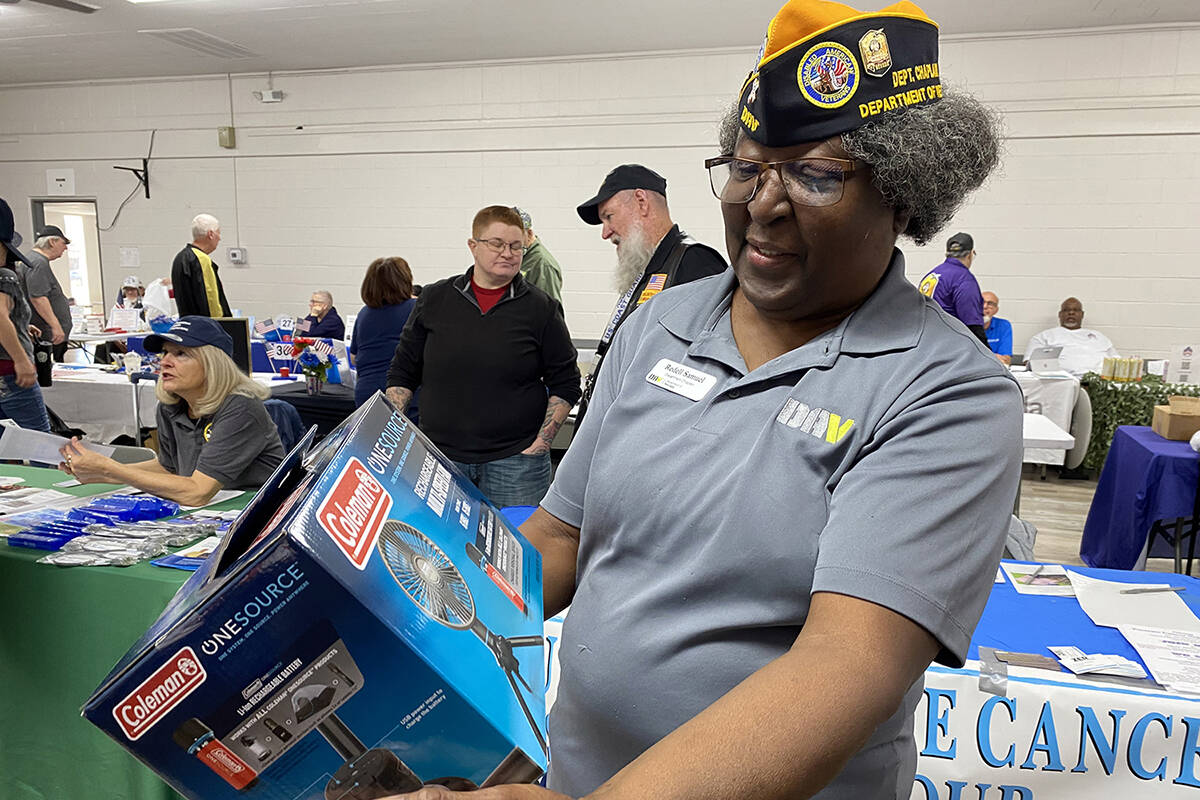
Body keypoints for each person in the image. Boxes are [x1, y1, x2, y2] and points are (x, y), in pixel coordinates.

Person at [382, 3, 1022, 799]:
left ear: (904, 195)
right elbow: (558, 539)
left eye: (816, 175)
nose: (762, 203)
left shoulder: (947, 391)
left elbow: (846, 664)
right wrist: (403, 621)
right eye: (748, 166)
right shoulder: (660, 326)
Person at [386, 206, 580, 508]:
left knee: (520, 550)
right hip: (441, 460)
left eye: (517, 246)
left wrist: (542, 443)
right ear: (473, 246)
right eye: (498, 244)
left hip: (516, 466)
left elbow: (566, 382)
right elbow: (403, 372)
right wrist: (398, 434)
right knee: (442, 551)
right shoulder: (435, 299)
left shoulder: (541, 308)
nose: (508, 253)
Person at [58, 316, 284, 505]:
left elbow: (197, 492)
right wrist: (99, 472)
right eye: (165, 353)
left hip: (254, 512)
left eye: (180, 354)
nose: (165, 361)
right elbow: (170, 468)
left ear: (212, 363)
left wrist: (112, 470)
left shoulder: (241, 407)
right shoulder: (172, 406)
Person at [574, 163, 727, 423]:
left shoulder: (694, 263)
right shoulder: (648, 268)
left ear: (642, 202)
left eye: (608, 216)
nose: (605, 233)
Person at [0, 199, 51, 432]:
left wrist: (20, 325)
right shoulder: (4, 276)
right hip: (10, 372)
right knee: (40, 441)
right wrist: (21, 359)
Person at [350, 257, 418, 420]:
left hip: (367, 394)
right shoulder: (416, 308)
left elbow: (353, 357)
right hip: (405, 393)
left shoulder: (364, 314)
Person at [918, 232, 988, 346]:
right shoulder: (964, 279)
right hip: (948, 345)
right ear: (970, 254)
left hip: (924, 343)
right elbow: (972, 325)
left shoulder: (931, 275)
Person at [1024, 297, 1118, 378]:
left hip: (1100, 383)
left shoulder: (1099, 337)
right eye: (1066, 310)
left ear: (1082, 314)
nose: (1071, 313)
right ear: (1060, 315)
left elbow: (1117, 362)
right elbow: (1030, 364)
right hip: (1062, 383)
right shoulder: (1043, 337)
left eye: (1076, 310)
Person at [22, 224, 74, 361]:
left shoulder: (35, 261)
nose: (66, 248)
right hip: (45, 334)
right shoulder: (38, 263)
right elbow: (38, 298)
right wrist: (55, 326)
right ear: (52, 241)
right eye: (64, 243)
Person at [171, 213, 231, 318]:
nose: (220, 238)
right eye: (218, 233)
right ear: (211, 234)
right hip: (205, 327)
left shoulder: (180, 257)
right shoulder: (202, 259)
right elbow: (211, 299)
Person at [513, 207, 563, 304]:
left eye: (516, 237)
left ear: (529, 233)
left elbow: (549, 311)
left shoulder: (543, 264)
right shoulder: (521, 257)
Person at [982, 290, 1013, 365]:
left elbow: (1006, 360)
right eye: (981, 302)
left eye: (990, 304)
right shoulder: (964, 324)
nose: (984, 306)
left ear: (996, 310)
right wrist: (995, 357)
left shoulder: (1004, 325)